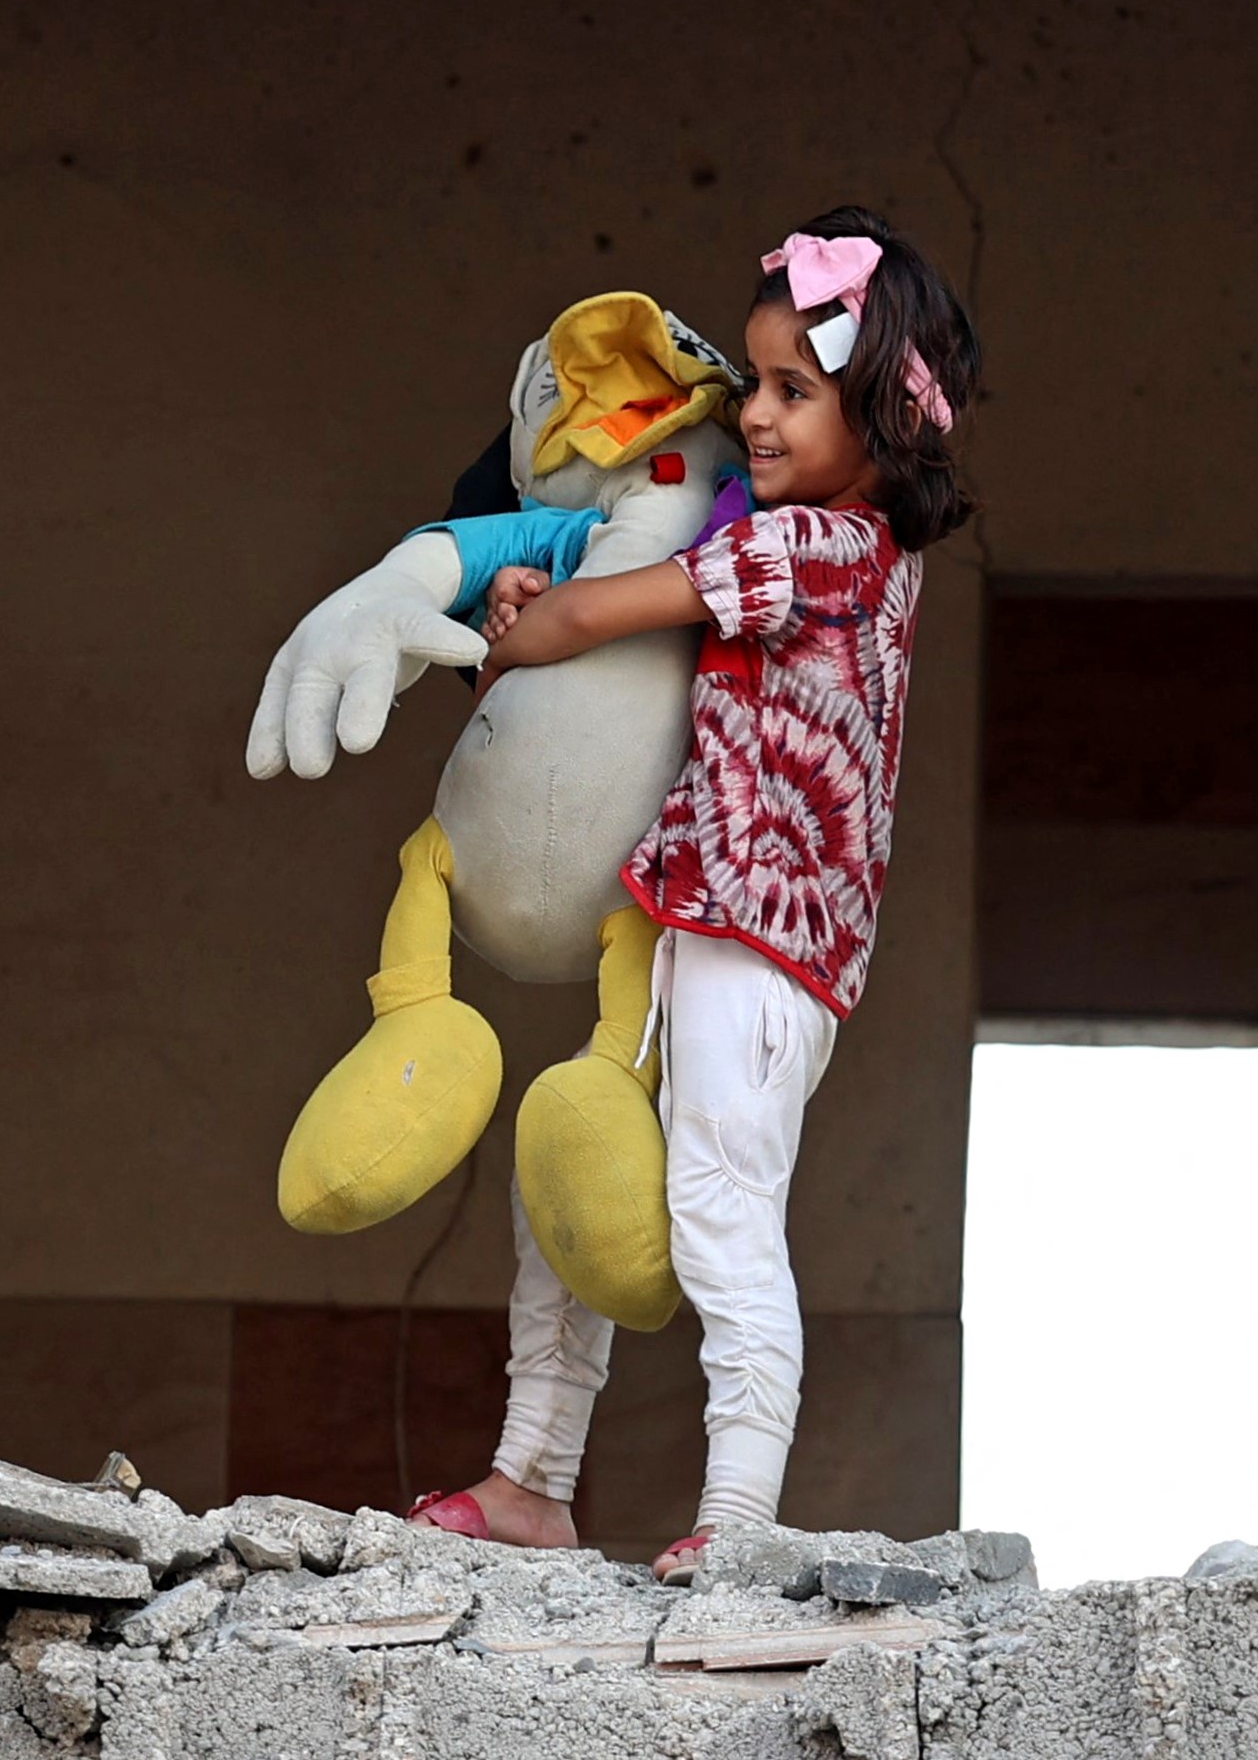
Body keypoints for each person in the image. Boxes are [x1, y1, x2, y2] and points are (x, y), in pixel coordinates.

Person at [406, 206, 981, 1577]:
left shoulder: (835, 554)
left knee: (722, 1211)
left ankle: (737, 1520)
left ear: (885, 423)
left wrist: (532, 622)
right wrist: (542, 612)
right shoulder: (779, 540)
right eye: (758, 385)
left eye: (795, 390)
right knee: (572, 1191)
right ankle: (533, 1478)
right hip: (687, 917)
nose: (759, 416)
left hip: (762, 947)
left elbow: (616, 609)